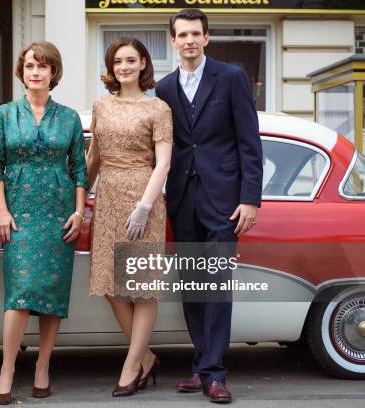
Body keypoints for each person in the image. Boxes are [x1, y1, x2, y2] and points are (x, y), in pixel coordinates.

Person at [155, 9, 263, 403]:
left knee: (215, 286)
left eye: (195, 34)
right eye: (181, 34)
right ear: (172, 41)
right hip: (182, 199)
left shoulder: (230, 77)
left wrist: (250, 199)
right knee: (191, 287)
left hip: (224, 202)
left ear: (206, 38)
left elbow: (250, 142)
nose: (188, 40)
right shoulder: (164, 88)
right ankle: (202, 365)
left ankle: (215, 374)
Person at [0, 41, 88, 405]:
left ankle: (43, 366)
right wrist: (1, 209)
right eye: (30, 65)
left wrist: (78, 212)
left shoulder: (69, 117)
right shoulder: (4, 114)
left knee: (50, 293)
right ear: (22, 71)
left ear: (53, 73)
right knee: (18, 292)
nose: (35, 72)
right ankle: (8, 368)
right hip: (19, 210)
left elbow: (79, 168)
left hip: (58, 212)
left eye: (43, 66)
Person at [87, 37, 173, 397]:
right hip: (107, 196)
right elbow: (93, 157)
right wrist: (79, 200)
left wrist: (144, 206)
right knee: (109, 284)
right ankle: (146, 357)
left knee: (142, 288)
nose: (123, 66)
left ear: (142, 64)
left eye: (130, 60)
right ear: (111, 68)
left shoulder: (158, 109)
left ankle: (130, 364)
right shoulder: (101, 105)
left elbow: (163, 161)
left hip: (144, 197)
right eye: (117, 61)